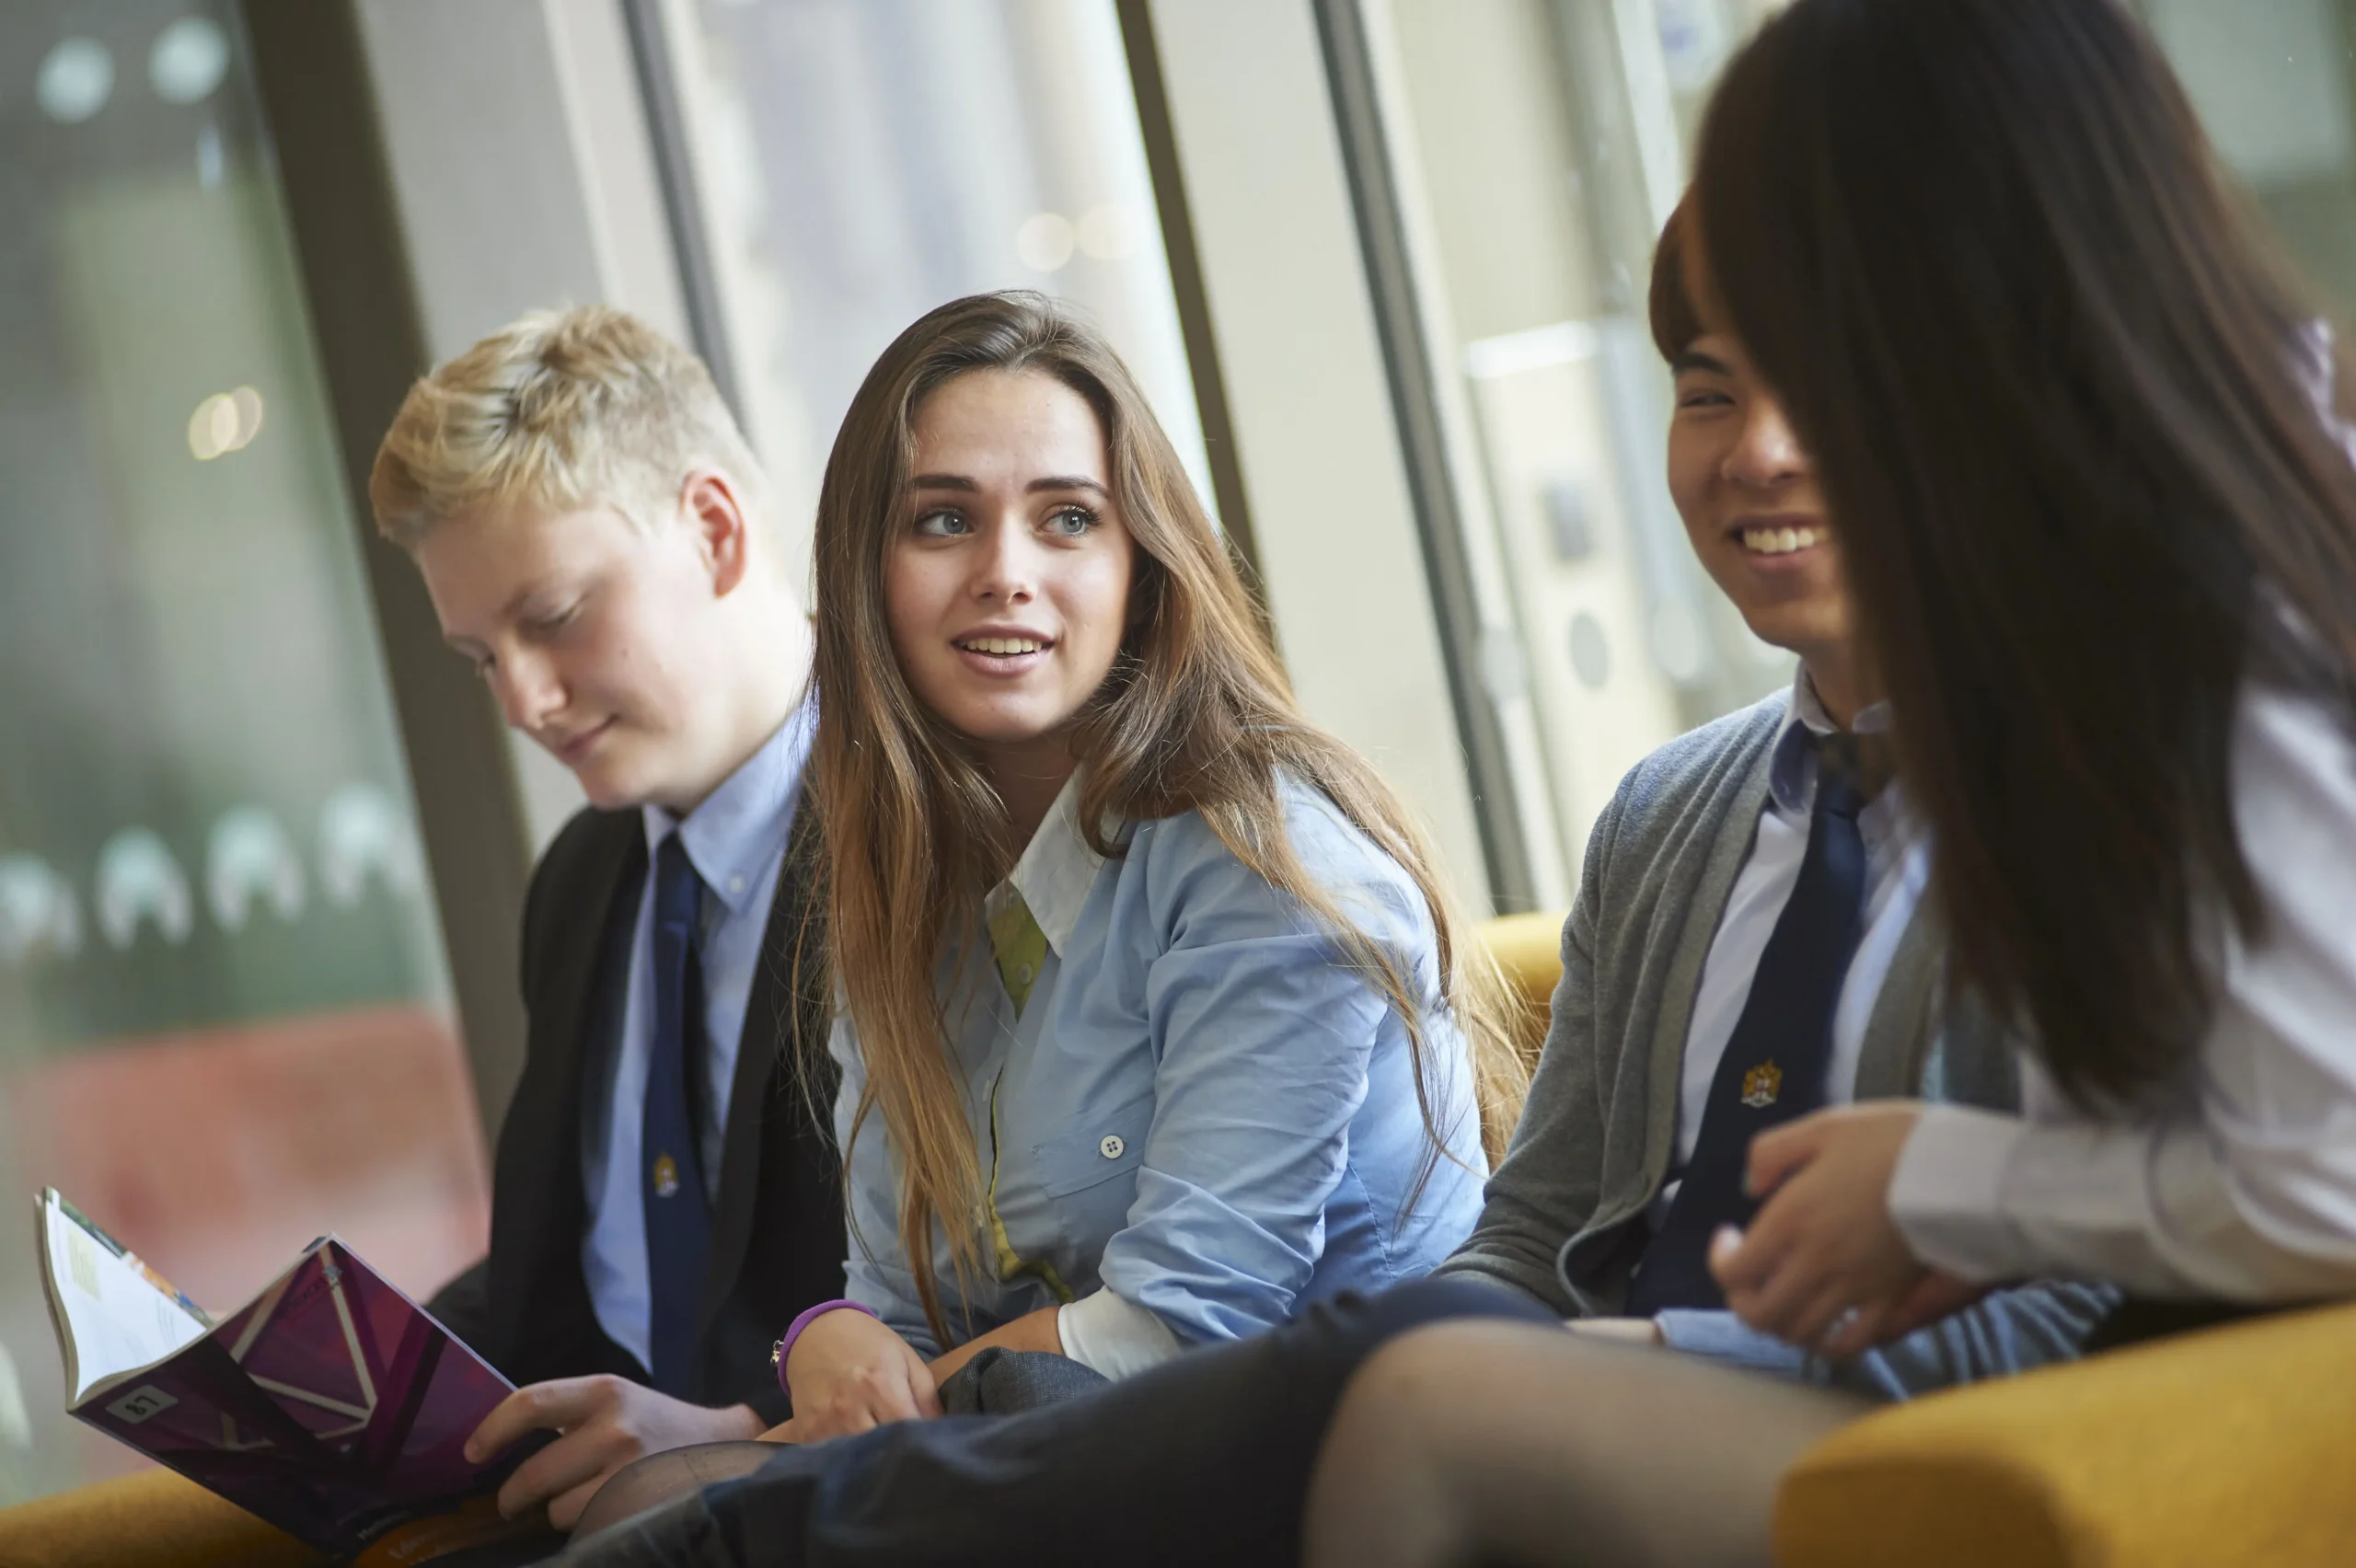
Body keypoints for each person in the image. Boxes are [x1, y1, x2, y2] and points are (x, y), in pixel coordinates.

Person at [1304, 1, 2356, 1562]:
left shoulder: (2203, 635)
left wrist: (1951, 1184)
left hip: (2133, 1436)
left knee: (1411, 1412)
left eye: (1828, 324)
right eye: (1716, 373)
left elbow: (2321, 1174)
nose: (1778, 438)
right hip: (2109, 1416)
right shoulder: (2105, 633)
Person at [768, 291, 1526, 1441]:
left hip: (1358, 1478)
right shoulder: (903, 899)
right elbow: (903, 1328)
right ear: (865, 576)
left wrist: (772, 1448)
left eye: (1067, 519)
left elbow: (1178, 1330)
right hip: (1085, 1483)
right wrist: (821, 1340)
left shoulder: (1265, 860)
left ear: (1144, 567)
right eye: (940, 521)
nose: (1004, 572)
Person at [370, 306, 846, 1530]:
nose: (522, 700)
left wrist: (747, 1436)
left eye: (556, 615)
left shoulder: (940, 834)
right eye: (481, 658)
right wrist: (339, 1373)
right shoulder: (582, 883)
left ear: (714, 531)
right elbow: (592, 1271)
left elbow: (1005, 1297)